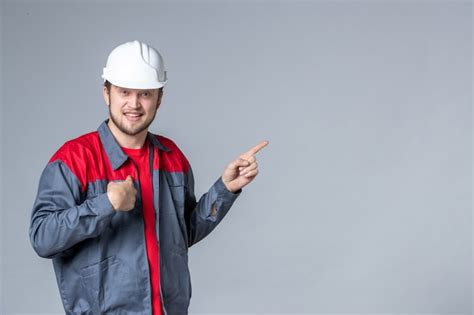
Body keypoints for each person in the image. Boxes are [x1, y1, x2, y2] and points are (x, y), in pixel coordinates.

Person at [28, 40, 268, 315]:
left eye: (145, 94)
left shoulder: (172, 157)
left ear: (159, 98)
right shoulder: (75, 159)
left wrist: (225, 188)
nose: (134, 104)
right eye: (124, 92)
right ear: (107, 94)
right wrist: (106, 204)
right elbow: (42, 237)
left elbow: (182, 233)